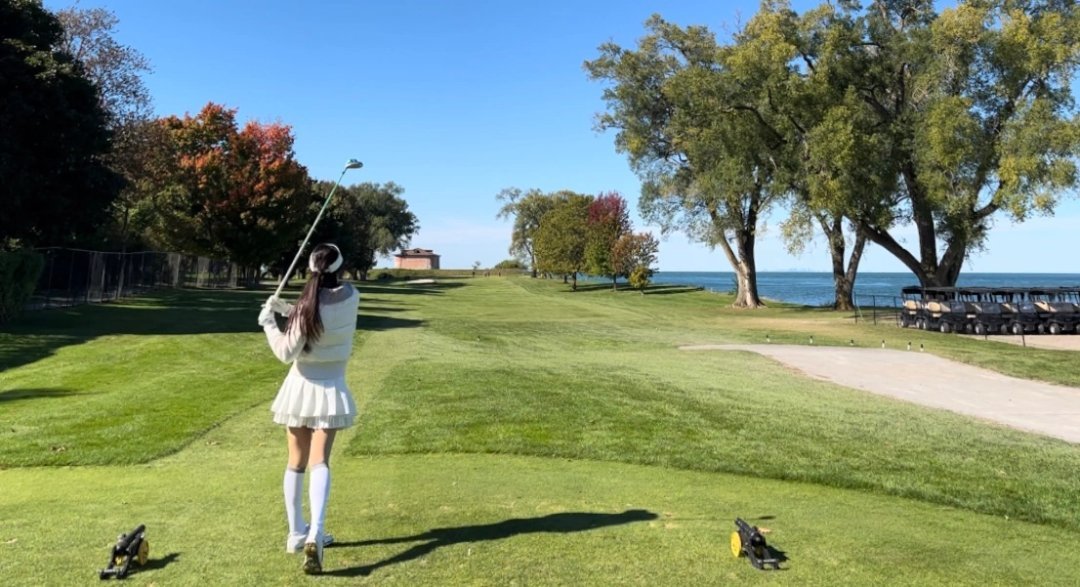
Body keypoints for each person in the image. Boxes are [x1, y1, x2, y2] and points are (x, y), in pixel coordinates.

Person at [258, 243, 359, 575]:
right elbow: (321, 313)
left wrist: (270, 322)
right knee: (321, 460)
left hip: (300, 387)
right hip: (331, 385)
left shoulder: (305, 309)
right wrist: (287, 309)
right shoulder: (352, 296)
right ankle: (315, 531)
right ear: (340, 270)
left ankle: (296, 533)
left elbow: (287, 352)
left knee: (296, 461)